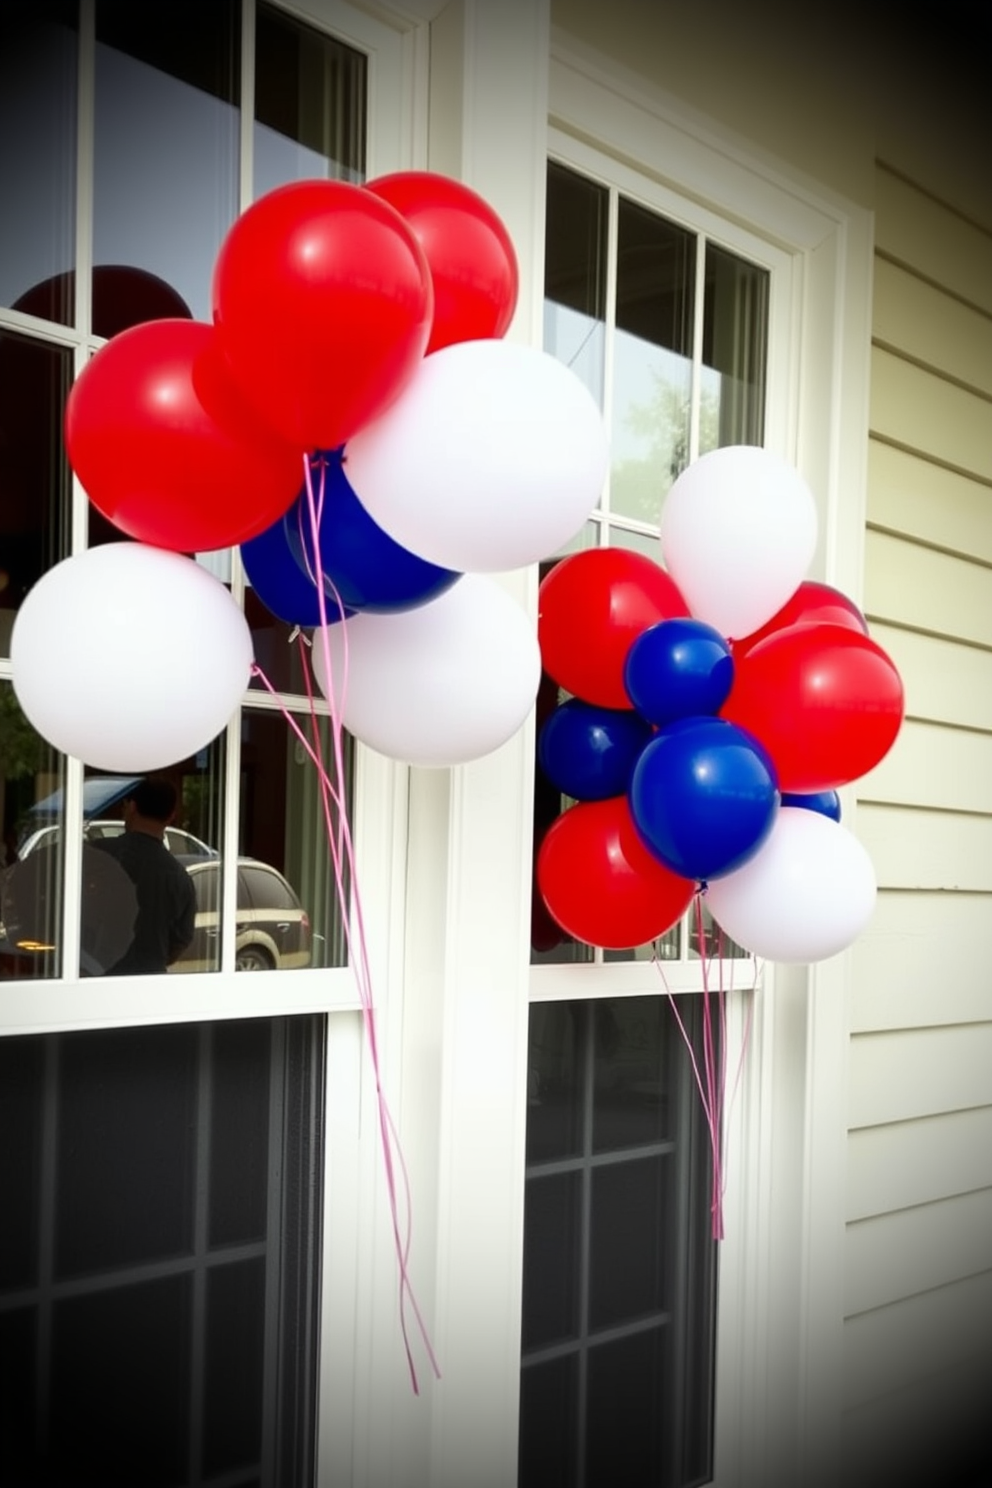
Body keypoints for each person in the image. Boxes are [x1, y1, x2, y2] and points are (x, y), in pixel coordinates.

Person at [91, 779, 197, 975]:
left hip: (96, 978)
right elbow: (181, 939)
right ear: (171, 817)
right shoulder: (180, 878)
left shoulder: (97, 856)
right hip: (150, 984)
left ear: (131, 807)